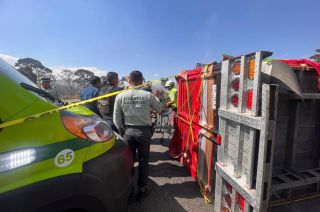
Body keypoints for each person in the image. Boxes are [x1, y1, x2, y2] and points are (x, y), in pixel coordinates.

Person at [113, 70, 163, 200]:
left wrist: (122, 130)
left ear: (129, 81)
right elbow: (159, 109)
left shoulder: (120, 96)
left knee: (129, 161)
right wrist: (157, 97)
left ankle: (127, 189)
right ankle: (142, 188)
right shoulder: (148, 95)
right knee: (143, 161)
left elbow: (116, 118)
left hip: (128, 132)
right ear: (142, 81)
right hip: (144, 132)